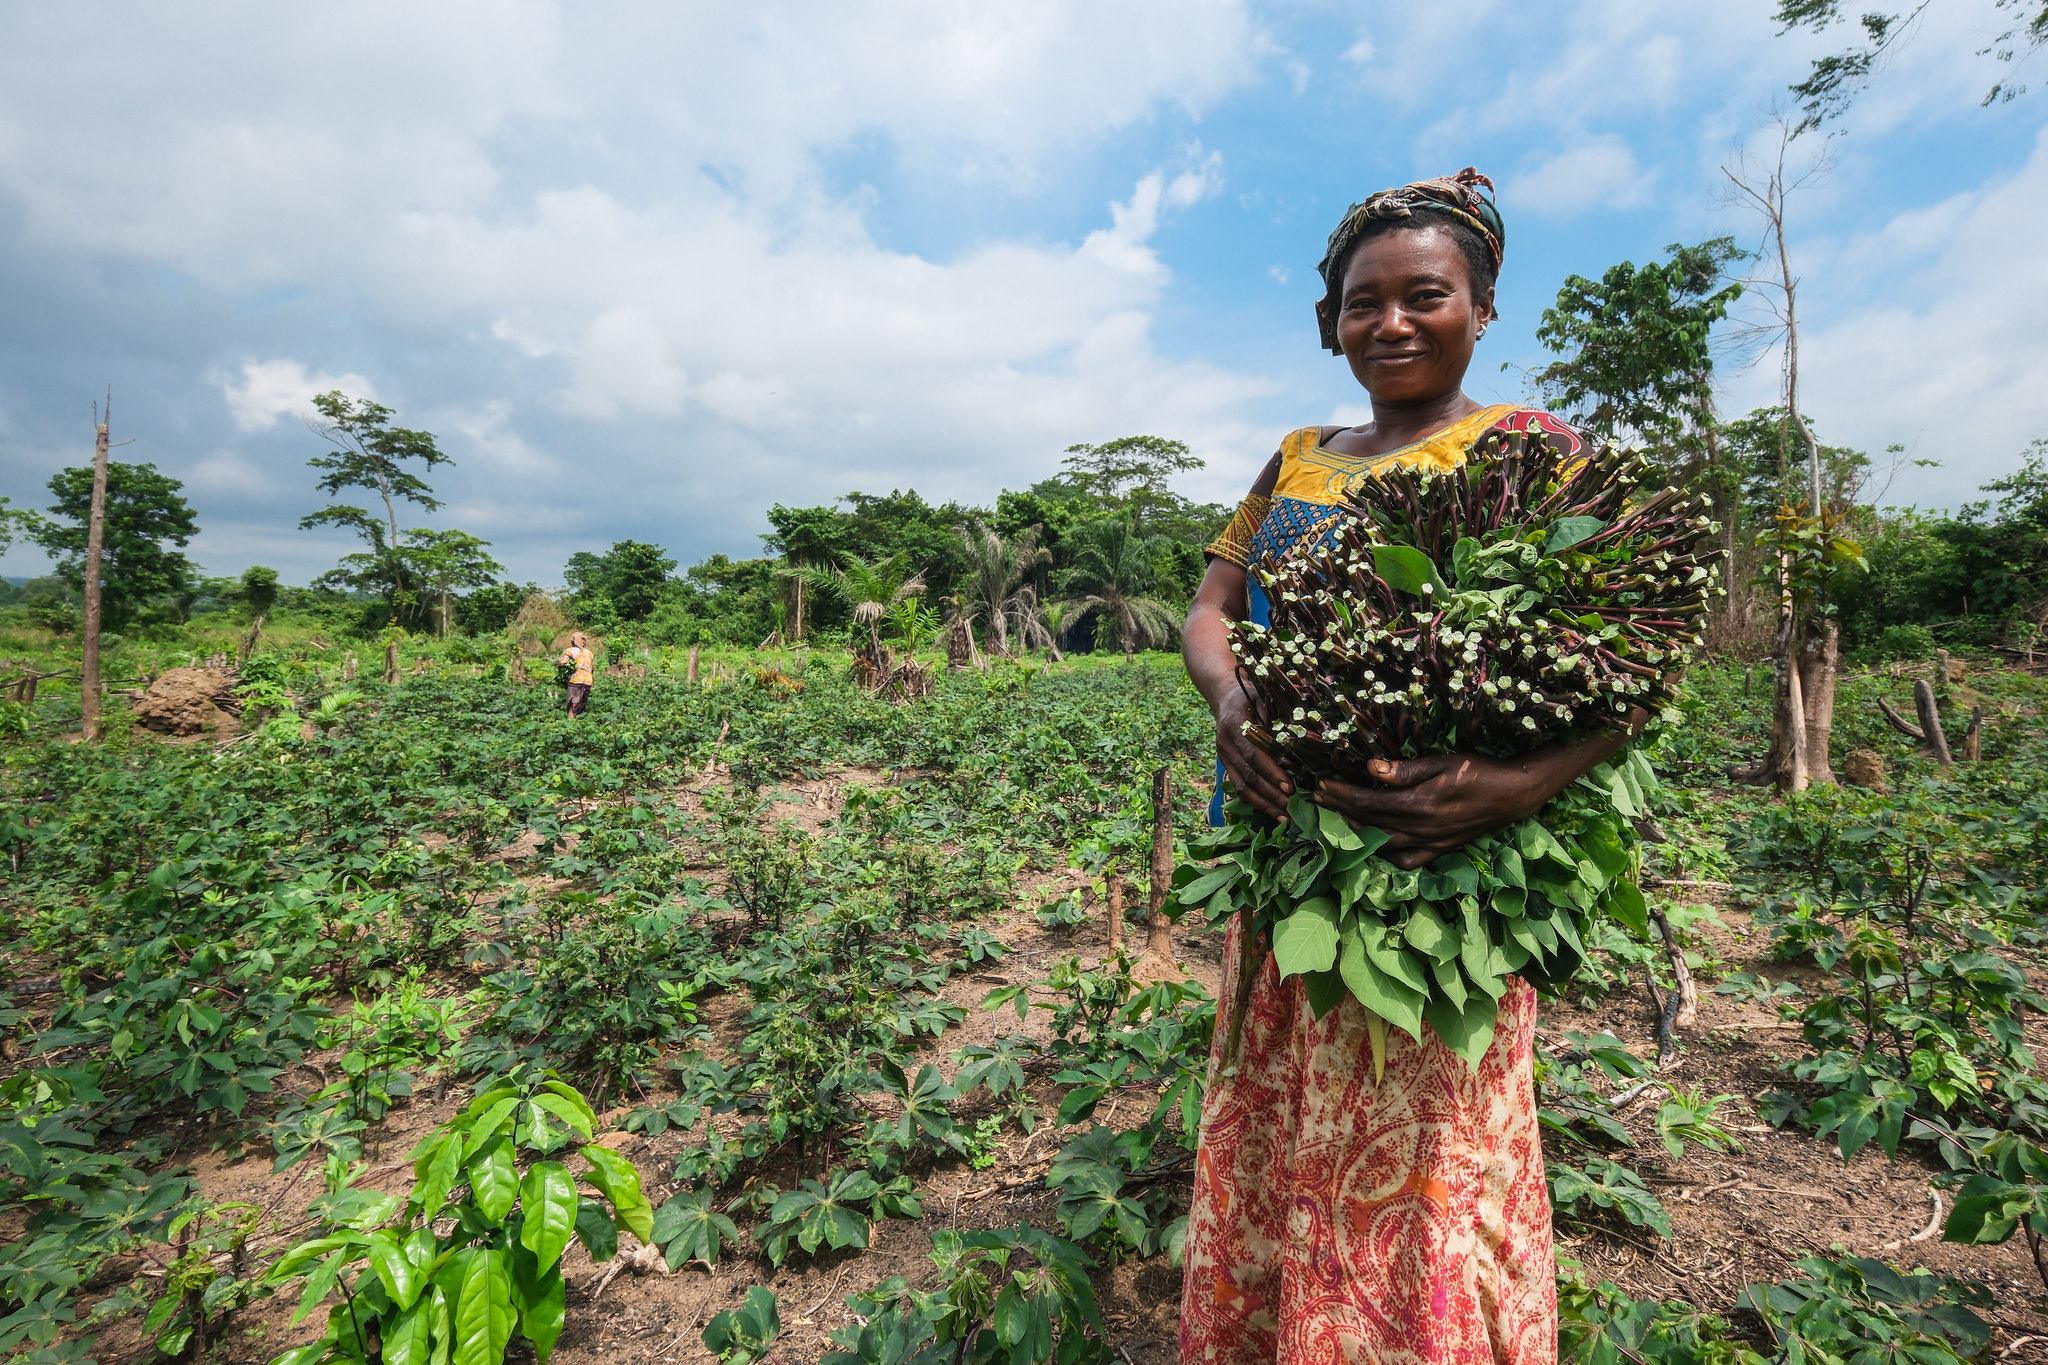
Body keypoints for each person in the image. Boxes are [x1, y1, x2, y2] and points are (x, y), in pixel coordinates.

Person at [1179, 170, 1649, 1365]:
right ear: (1329, 320)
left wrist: (1524, 782)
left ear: (1481, 307)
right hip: (1288, 850)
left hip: (1446, 869)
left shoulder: (1533, 452)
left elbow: (1639, 656)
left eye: (1422, 295)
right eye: (1358, 302)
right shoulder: (1297, 457)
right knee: (1283, 1104)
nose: (1387, 322)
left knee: (1432, 1134)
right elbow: (1211, 604)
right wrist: (1233, 694)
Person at [557, 632, 594, 717]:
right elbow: (592, 668)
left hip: (575, 681)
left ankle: (570, 726)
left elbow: (563, 663)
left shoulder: (570, 651)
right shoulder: (589, 653)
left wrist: (557, 663)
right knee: (581, 706)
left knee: (572, 706)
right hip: (588, 682)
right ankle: (579, 725)